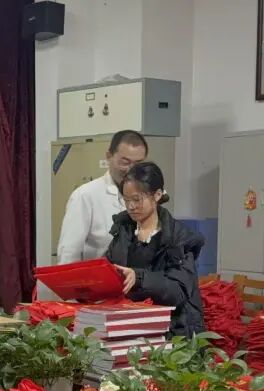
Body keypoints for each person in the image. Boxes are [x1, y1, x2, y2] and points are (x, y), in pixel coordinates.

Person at [106, 161, 205, 338]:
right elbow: (109, 267)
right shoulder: (123, 231)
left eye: (137, 199)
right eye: (126, 200)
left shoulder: (179, 238)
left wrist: (139, 278)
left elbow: (177, 291)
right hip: (132, 325)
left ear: (157, 195)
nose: (131, 206)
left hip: (173, 331)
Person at [56, 130, 149, 264]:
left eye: (138, 164)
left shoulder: (149, 196)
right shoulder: (85, 196)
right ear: (109, 156)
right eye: (124, 162)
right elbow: (68, 254)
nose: (131, 170)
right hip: (98, 276)